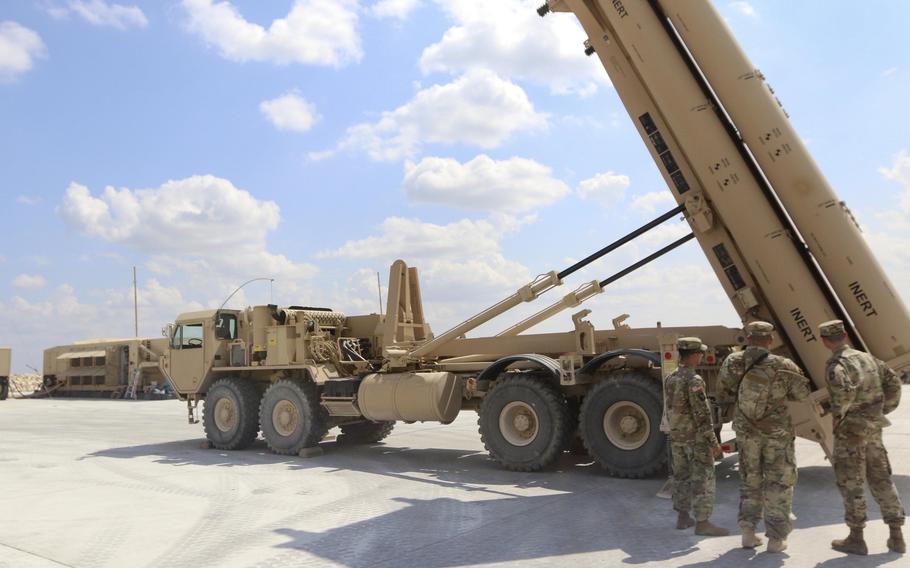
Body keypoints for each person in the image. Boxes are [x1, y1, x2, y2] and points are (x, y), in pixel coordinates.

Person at [718, 321, 809, 552]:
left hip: (746, 431)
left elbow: (724, 389)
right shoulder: (783, 365)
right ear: (770, 340)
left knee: (750, 480)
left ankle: (748, 533)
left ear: (748, 338)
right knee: (778, 483)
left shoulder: (732, 362)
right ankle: (776, 540)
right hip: (776, 433)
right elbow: (801, 393)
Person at [820, 319, 905, 555]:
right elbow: (893, 383)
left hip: (851, 433)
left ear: (825, 341)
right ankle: (896, 536)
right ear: (845, 334)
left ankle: (857, 538)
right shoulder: (869, 358)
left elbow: (843, 392)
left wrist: (839, 416)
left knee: (851, 483)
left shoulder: (835, 364)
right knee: (882, 479)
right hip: (873, 428)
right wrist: (883, 409)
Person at [665, 337, 729, 536]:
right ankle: (703, 523)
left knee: (681, 477)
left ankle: (683, 518)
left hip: (677, 438)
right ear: (692, 355)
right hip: (695, 440)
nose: (701, 356)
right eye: (700, 353)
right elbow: (702, 414)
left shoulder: (671, 377)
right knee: (703, 479)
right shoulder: (694, 380)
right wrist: (713, 442)